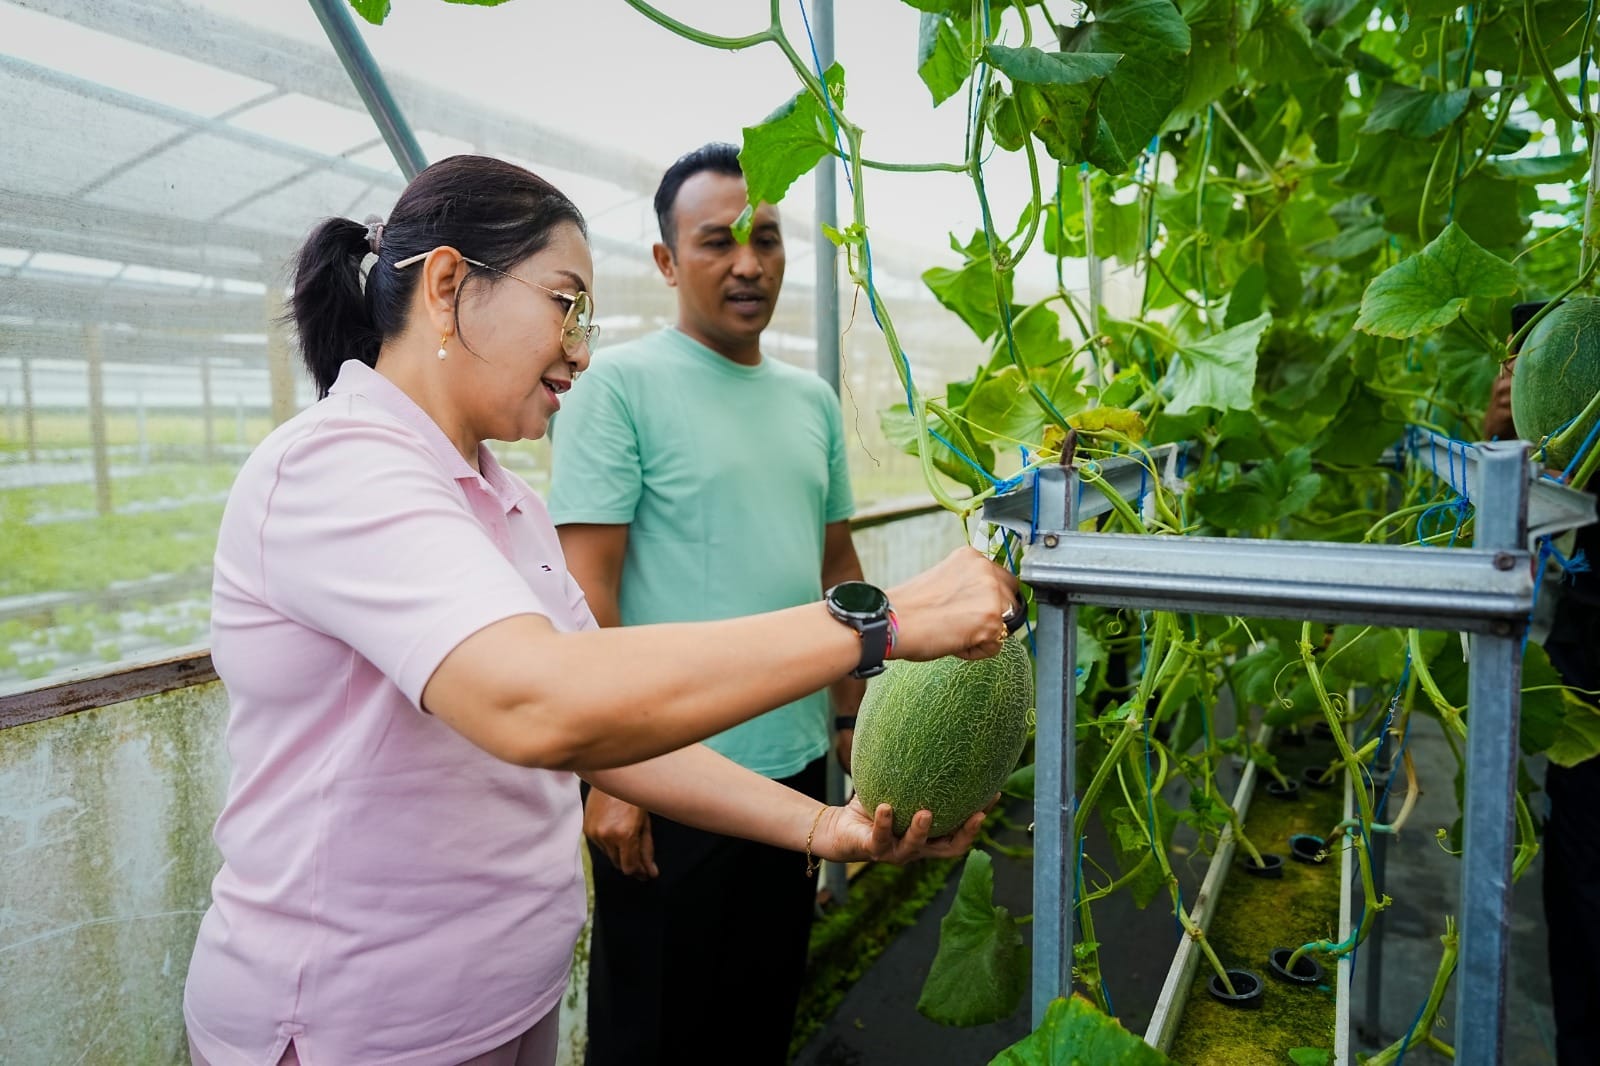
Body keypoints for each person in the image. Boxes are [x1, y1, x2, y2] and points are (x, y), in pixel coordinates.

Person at [181, 154, 1019, 1066]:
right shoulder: (335, 466)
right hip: (358, 1027)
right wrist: (876, 624)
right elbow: (538, 703)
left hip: (493, 1006)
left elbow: (616, 735)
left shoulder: (501, 501)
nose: (580, 348)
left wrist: (825, 827)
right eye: (565, 303)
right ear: (450, 283)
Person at [546, 143, 867, 1065]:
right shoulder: (618, 387)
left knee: (759, 1018)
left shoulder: (809, 401)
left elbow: (834, 565)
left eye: (766, 238)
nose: (749, 263)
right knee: (655, 1034)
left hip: (794, 775)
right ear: (664, 261)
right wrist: (610, 773)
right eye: (717, 240)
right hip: (671, 779)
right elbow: (585, 594)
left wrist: (852, 732)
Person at [1486, 301, 1600, 1065]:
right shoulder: (1570, 330)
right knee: (1586, 918)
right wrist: (1504, 435)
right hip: (1591, 685)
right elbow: (1536, 487)